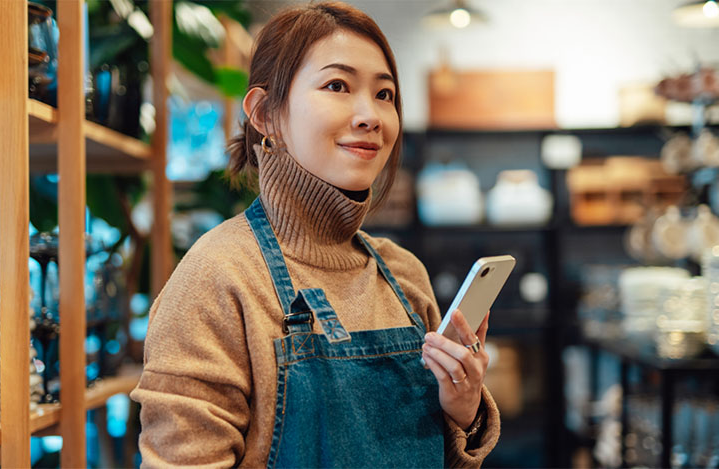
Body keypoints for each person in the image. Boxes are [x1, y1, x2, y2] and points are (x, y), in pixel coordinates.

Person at [131, 2, 501, 467]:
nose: (371, 115)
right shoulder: (217, 277)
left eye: (385, 95)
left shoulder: (404, 276)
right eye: (337, 86)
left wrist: (461, 412)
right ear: (265, 114)